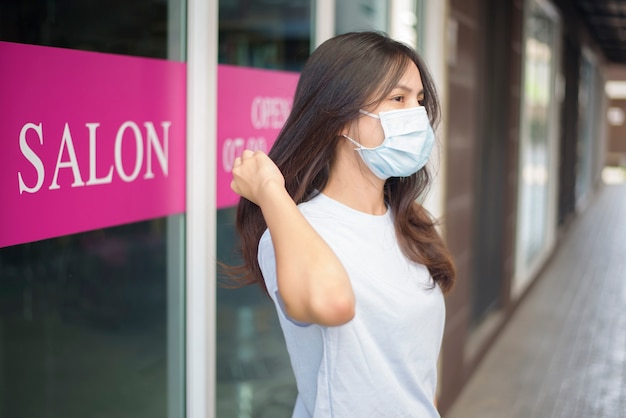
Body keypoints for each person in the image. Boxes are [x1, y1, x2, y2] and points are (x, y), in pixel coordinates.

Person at [230, 31, 456, 418]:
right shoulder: (292, 231)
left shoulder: (409, 222)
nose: (416, 115)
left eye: (419, 101)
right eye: (397, 99)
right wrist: (270, 191)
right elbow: (332, 303)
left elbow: (414, 372)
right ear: (341, 116)